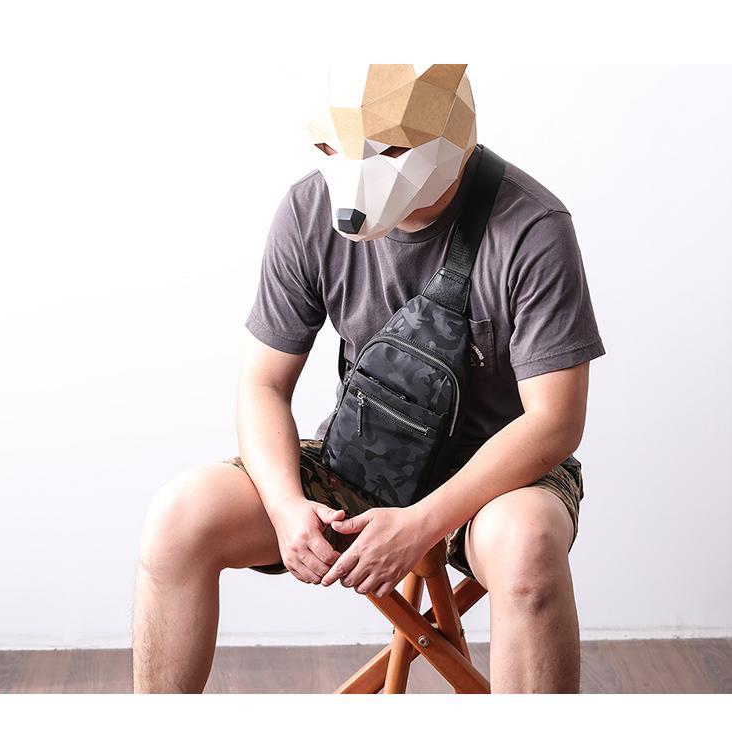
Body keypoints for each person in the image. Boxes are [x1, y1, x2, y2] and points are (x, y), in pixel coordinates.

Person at [132, 64, 606, 693]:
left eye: (390, 152)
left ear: (454, 137)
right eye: (331, 149)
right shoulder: (307, 208)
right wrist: (286, 508)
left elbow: (555, 421)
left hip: (500, 480)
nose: (353, 183)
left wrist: (424, 522)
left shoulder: (532, 225)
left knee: (527, 546)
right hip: (363, 461)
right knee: (177, 519)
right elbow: (262, 385)